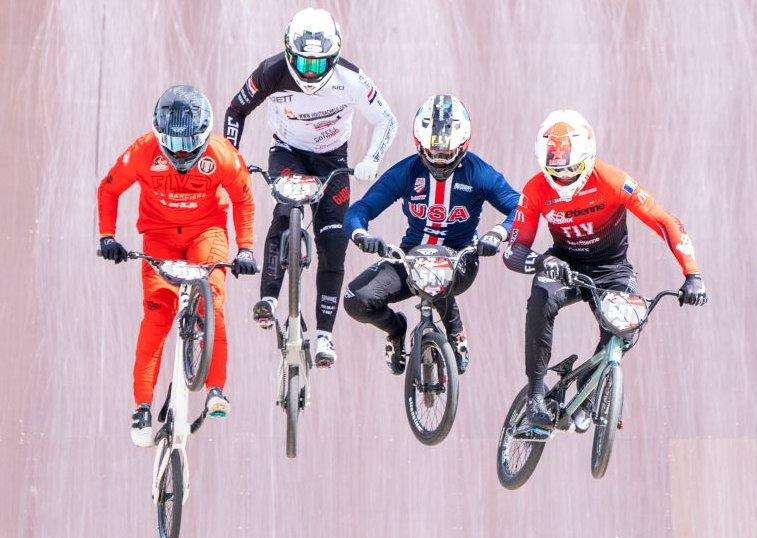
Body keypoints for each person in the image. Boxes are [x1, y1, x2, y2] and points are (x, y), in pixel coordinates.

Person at [503, 110, 707, 429]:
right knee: (540, 300)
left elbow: (663, 220)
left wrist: (692, 274)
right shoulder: (535, 189)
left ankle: (589, 387)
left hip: (611, 268)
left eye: (572, 170)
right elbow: (514, 251)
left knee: (627, 328)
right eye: (555, 172)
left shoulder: (613, 180)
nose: (564, 179)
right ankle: (535, 395)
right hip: (563, 265)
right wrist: (542, 262)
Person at [224, 8, 397, 367]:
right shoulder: (271, 71)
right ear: (289, 52)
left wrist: (372, 159)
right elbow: (235, 111)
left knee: (333, 241)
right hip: (287, 151)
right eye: (302, 63)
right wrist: (231, 157)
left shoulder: (351, 78)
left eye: (319, 66)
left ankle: (324, 334)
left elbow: (387, 120)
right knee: (285, 209)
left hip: (333, 158)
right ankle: (269, 298)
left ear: (333, 59)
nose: (309, 72)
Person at [97, 85, 258, 447]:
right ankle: (141, 406)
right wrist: (107, 237)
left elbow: (244, 199)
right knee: (156, 316)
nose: (182, 153)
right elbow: (109, 189)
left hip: (207, 234)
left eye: (189, 145)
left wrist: (245, 248)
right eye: (173, 145)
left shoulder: (223, 155)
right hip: (159, 238)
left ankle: (217, 387)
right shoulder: (142, 152)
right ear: (158, 136)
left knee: (213, 302)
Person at [343, 94, 519, 374]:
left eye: (447, 154)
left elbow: (519, 208)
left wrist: (497, 234)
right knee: (355, 300)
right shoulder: (406, 172)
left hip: (461, 258)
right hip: (410, 256)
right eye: (432, 154)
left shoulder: (479, 173)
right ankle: (396, 328)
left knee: (432, 271)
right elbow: (360, 209)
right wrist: (361, 234)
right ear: (418, 145)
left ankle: (454, 327)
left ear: (463, 146)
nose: (440, 162)